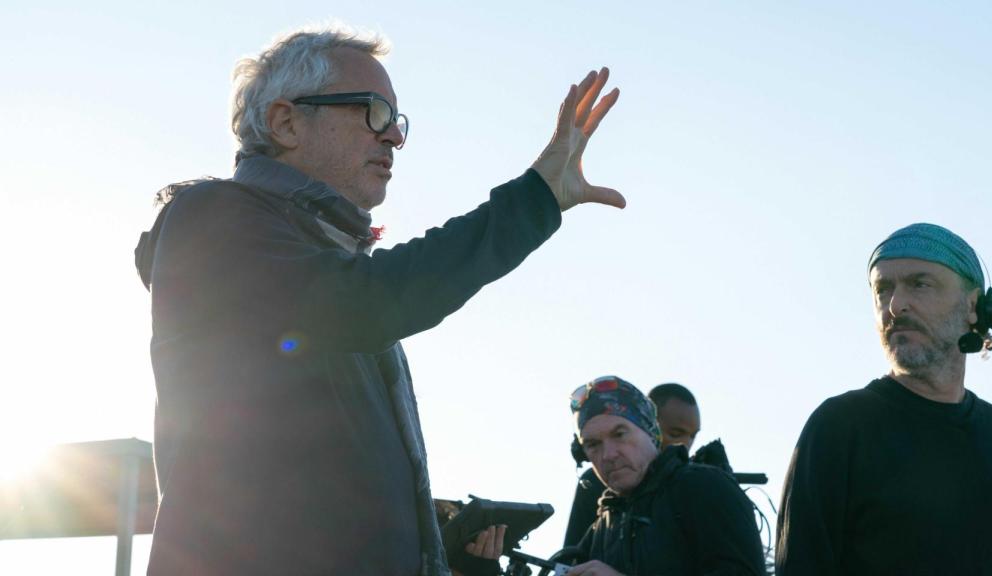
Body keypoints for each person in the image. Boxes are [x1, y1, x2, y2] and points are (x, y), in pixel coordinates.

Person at [134, 24, 623, 576]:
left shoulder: (333, 270)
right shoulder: (213, 219)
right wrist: (534, 199)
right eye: (372, 110)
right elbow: (363, 304)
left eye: (396, 121)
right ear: (286, 121)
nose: (392, 136)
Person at [775, 223, 992, 575]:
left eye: (920, 284)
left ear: (973, 306)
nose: (895, 305)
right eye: (882, 289)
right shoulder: (839, 428)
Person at [567, 376, 766, 576]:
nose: (608, 454)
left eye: (619, 434)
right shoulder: (600, 529)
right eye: (593, 445)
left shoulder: (706, 487)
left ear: (651, 432)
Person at [564, 382, 702, 546]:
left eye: (692, 436)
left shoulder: (701, 484)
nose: (685, 445)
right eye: (675, 434)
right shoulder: (596, 486)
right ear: (652, 427)